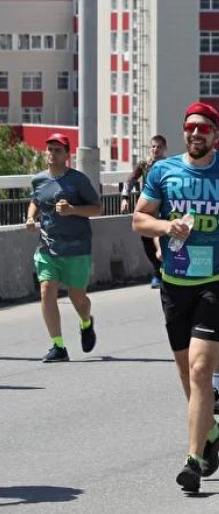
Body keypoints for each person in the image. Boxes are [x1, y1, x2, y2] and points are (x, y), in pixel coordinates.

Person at [132, 101, 219, 493]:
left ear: (216, 136)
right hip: (175, 279)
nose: (196, 134)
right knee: (187, 375)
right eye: (190, 128)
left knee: (202, 370)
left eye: (204, 129)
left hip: (218, 276)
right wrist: (164, 226)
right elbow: (138, 219)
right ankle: (212, 431)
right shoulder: (164, 170)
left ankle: (194, 459)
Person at [25, 133, 102, 363]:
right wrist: (30, 218)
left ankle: (86, 322)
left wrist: (72, 210)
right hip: (48, 247)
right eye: (49, 148)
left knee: (77, 298)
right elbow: (36, 201)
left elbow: (97, 209)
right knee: (46, 289)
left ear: (67, 155)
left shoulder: (78, 180)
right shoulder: (39, 180)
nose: (51, 153)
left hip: (77, 248)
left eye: (57, 150)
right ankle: (58, 346)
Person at [121, 135, 167, 288]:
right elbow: (130, 181)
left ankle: (161, 274)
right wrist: (125, 198)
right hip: (146, 209)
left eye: (159, 147)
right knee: (147, 243)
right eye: (153, 146)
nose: (156, 149)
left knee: (161, 240)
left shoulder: (169, 165)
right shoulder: (144, 165)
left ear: (164, 149)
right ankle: (158, 271)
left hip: (163, 209)